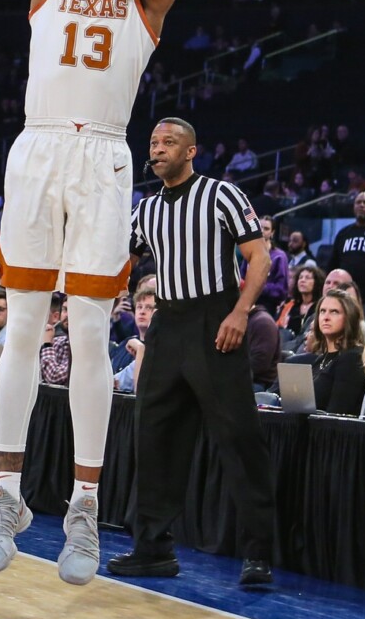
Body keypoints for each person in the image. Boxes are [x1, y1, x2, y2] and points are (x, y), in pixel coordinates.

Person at [0, 0, 177, 587]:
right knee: (23, 326)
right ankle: (8, 493)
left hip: (101, 159)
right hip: (37, 149)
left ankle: (87, 510)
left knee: (91, 332)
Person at [107, 117, 275, 587]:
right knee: (153, 436)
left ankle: (259, 551)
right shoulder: (146, 210)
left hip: (215, 318)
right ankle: (153, 548)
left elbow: (257, 258)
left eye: (169, 143)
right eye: (154, 142)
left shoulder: (222, 195)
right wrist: (106, 295)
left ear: (191, 151)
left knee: (237, 437)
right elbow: (127, 260)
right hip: (168, 322)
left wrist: (241, 312)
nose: (158, 149)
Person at [282, 290, 365, 414]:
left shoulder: (352, 358)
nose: (326, 317)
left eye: (334, 312)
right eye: (322, 311)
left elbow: (337, 413)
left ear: (349, 317)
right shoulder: (321, 359)